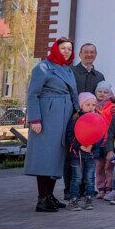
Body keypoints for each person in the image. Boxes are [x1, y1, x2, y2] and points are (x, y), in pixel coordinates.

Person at [26, 37, 78, 213]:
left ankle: (49, 195)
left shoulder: (67, 69)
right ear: (56, 49)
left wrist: (77, 111)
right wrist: (35, 119)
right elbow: (33, 95)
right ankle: (42, 198)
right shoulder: (42, 68)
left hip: (65, 116)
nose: (66, 51)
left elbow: (73, 92)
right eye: (63, 48)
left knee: (57, 156)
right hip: (48, 116)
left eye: (69, 49)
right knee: (45, 156)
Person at [64, 92, 100, 211]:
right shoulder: (75, 119)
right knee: (77, 178)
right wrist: (79, 146)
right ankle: (73, 199)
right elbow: (70, 135)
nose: (91, 107)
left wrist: (92, 145)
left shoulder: (97, 118)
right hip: (77, 155)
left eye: (93, 105)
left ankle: (89, 198)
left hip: (91, 155)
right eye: (87, 104)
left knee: (90, 178)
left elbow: (101, 135)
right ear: (81, 105)